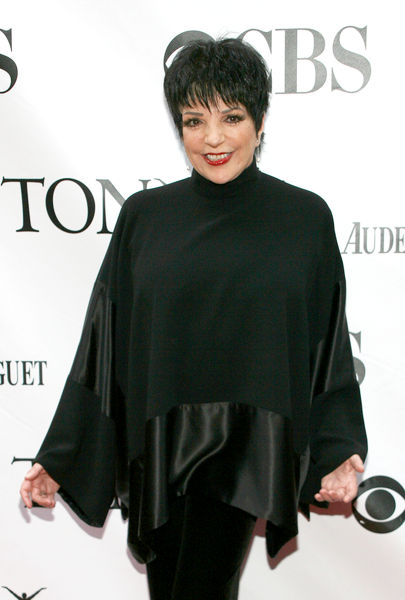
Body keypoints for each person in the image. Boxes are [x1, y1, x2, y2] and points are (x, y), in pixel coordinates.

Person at [20, 38, 367, 600]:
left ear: (259, 121)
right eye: (193, 120)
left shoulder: (303, 218)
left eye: (231, 117)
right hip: (163, 452)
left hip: (245, 455)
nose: (212, 138)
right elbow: (104, 340)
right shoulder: (145, 217)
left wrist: (336, 446)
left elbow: (325, 338)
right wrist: (62, 455)